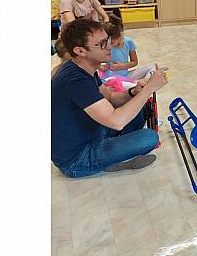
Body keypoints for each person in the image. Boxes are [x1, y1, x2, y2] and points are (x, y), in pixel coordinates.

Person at [51, 19, 167, 178]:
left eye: (108, 40)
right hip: (76, 159)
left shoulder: (84, 67)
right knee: (150, 138)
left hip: (90, 131)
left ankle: (116, 152)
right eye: (102, 43)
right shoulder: (76, 81)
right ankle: (112, 160)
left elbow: (110, 97)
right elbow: (116, 121)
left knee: (137, 107)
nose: (110, 46)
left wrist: (133, 92)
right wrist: (149, 88)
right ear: (80, 50)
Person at [101, 14, 154, 80]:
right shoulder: (104, 44)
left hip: (126, 76)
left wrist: (123, 66)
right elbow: (94, 62)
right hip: (109, 79)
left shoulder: (128, 42)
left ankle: (144, 84)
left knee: (152, 67)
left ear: (119, 36)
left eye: (112, 43)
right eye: (107, 42)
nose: (109, 46)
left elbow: (135, 62)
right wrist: (100, 67)